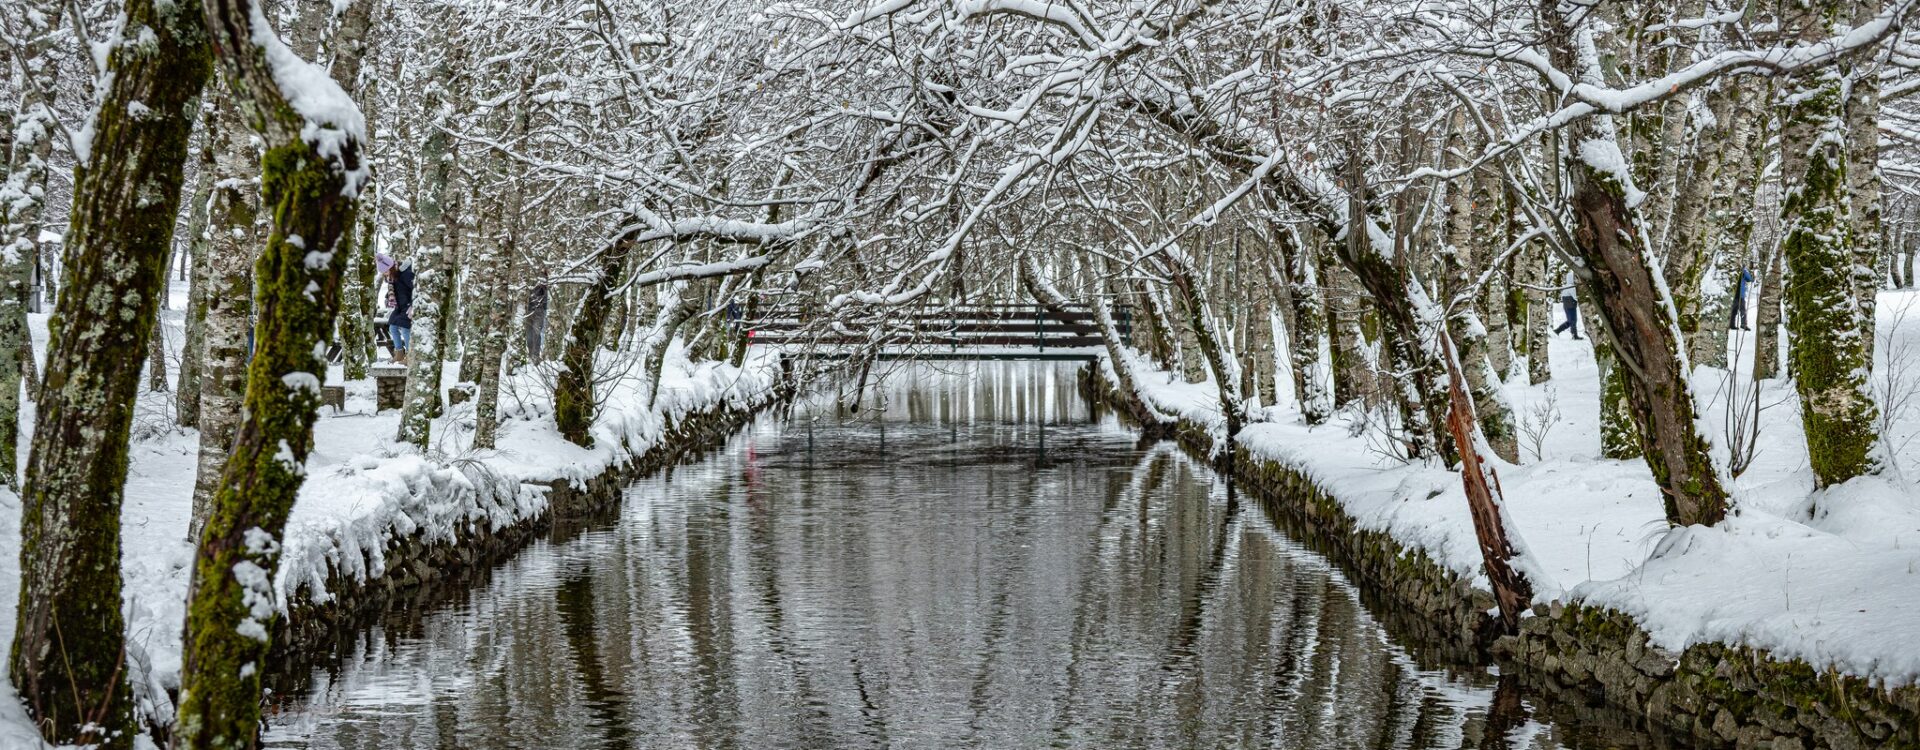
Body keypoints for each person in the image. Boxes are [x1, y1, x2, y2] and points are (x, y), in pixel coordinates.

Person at [387, 259, 416, 364]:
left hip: (408, 306)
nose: (386, 274)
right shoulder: (394, 276)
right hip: (399, 307)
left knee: (405, 328)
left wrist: (413, 305)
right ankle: (399, 354)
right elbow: (396, 290)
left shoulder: (406, 274)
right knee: (392, 327)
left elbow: (416, 289)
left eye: (387, 271)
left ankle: (409, 356)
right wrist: (389, 297)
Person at [1552, 270, 1582, 339]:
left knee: (1570, 321)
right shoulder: (1571, 287)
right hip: (1571, 306)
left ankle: (1558, 330)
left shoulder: (1565, 287)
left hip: (1566, 306)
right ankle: (1575, 335)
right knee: (1573, 321)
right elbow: (1575, 297)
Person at [524, 282, 548, 363]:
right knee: (529, 334)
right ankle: (530, 354)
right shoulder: (529, 278)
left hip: (540, 310)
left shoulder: (544, 279)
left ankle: (535, 355)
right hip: (528, 310)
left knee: (536, 332)